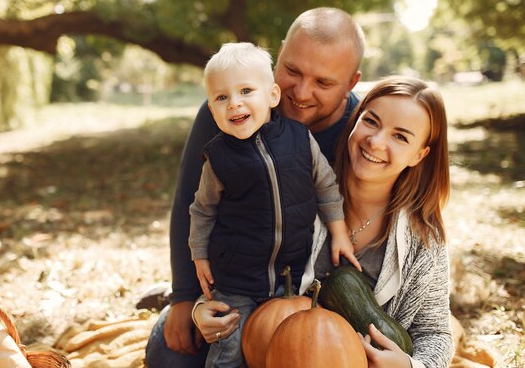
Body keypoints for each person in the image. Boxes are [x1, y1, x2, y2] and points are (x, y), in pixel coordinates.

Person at [145, 7, 365, 368]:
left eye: (324, 83)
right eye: (292, 70)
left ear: (351, 83)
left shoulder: (362, 131)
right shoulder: (229, 112)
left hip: (308, 292)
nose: (301, 92)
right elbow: (193, 202)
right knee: (171, 356)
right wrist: (186, 297)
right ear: (279, 55)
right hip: (236, 280)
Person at [193, 76, 454, 368]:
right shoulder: (295, 189)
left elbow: (435, 334)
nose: (376, 141)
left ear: (420, 155)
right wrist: (201, 310)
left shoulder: (424, 238)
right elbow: (240, 259)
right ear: (355, 121)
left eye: (400, 136)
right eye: (371, 121)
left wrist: (408, 366)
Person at [190, 42, 358, 367]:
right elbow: (203, 210)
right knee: (230, 350)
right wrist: (199, 254)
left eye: (246, 91)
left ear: (272, 96)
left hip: (291, 277)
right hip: (237, 278)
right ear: (212, 110)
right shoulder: (219, 159)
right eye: (221, 98)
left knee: (290, 351)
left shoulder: (299, 138)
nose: (234, 103)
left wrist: (338, 231)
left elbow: (325, 185)